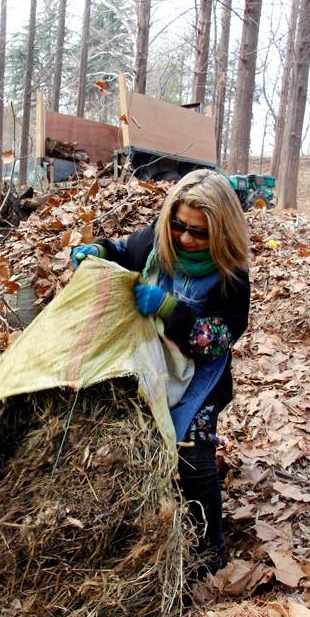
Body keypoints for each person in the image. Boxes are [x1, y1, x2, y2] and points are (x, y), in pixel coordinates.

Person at [71, 168, 250, 577]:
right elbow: (121, 249)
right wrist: (97, 251)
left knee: (193, 457)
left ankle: (211, 548)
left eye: (199, 233)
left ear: (220, 233)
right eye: (179, 225)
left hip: (198, 379)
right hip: (144, 363)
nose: (185, 238)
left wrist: (172, 311)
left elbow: (219, 337)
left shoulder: (231, 276)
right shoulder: (156, 243)